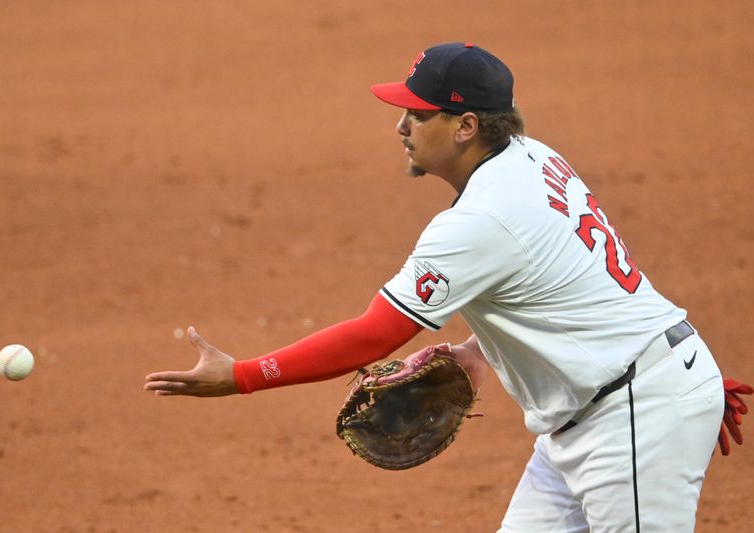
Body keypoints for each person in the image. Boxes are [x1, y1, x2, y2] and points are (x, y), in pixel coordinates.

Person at [145, 42, 743, 532]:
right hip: (615, 405)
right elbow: (562, 278)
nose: (401, 125)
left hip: (633, 417)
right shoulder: (531, 157)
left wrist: (243, 376)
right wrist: (477, 352)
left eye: (418, 114)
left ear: (466, 126)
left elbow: (373, 334)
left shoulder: (477, 221)